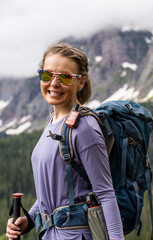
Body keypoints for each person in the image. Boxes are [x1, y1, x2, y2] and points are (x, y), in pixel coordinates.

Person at [6, 43, 124, 240]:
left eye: (65, 77)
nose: (54, 83)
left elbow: (105, 194)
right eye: (47, 75)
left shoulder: (84, 127)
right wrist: (29, 220)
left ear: (81, 82)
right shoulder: (52, 122)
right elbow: (51, 194)